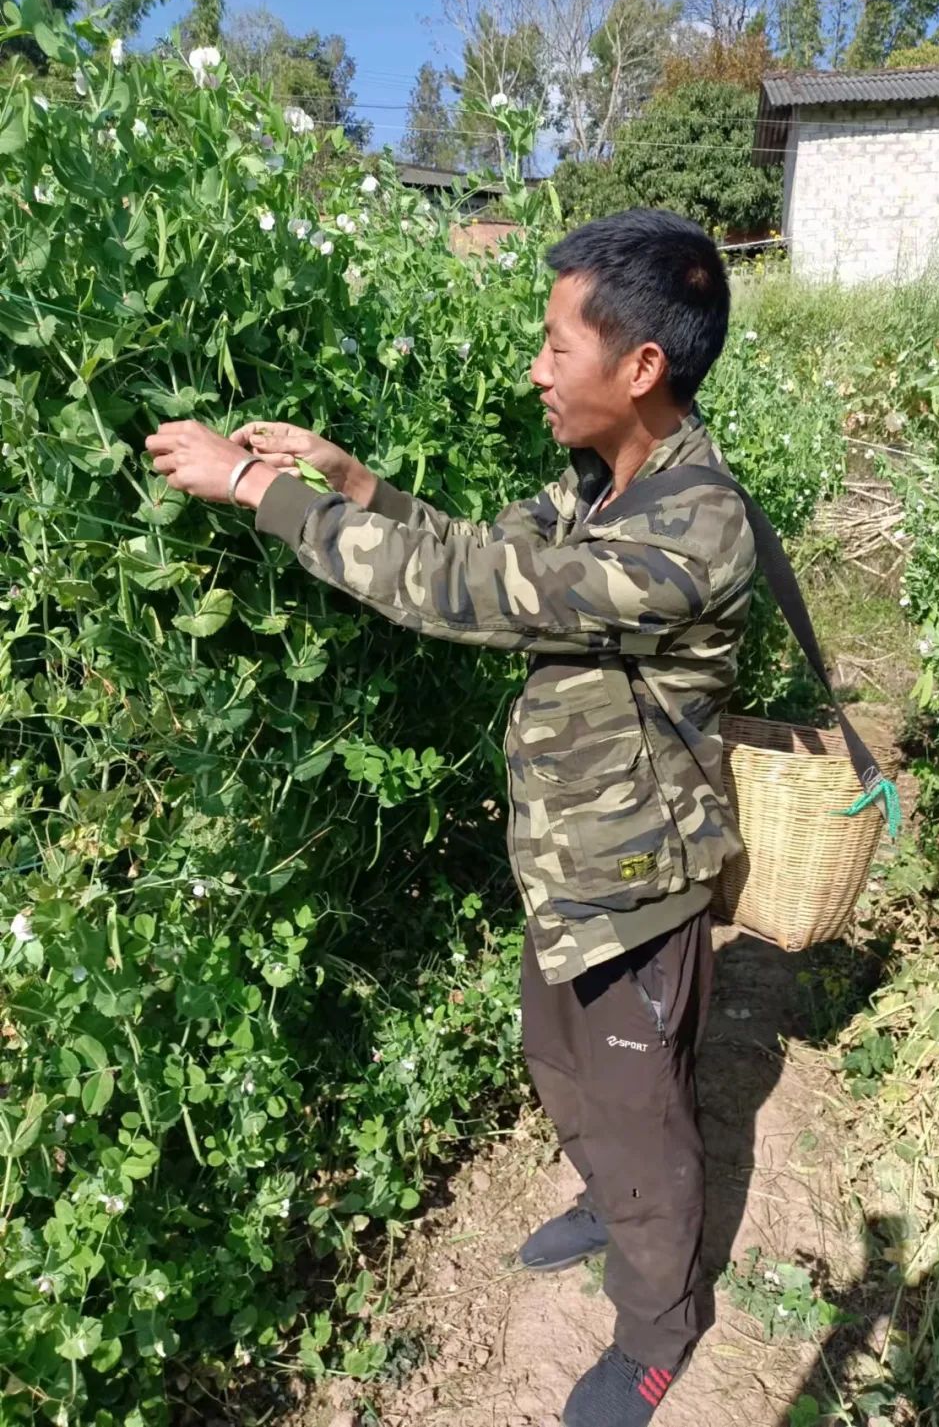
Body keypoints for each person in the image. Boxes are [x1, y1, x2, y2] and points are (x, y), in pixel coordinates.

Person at [145, 207, 756, 1426]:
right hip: (566, 858)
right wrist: (354, 481)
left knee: (644, 1116)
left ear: (641, 368)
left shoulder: (697, 526)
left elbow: (467, 594)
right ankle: (607, 1198)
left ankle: (657, 1321)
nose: (534, 369)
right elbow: (482, 547)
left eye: (554, 346)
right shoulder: (599, 478)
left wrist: (258, 488)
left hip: (638, 875)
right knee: (558, 1060)